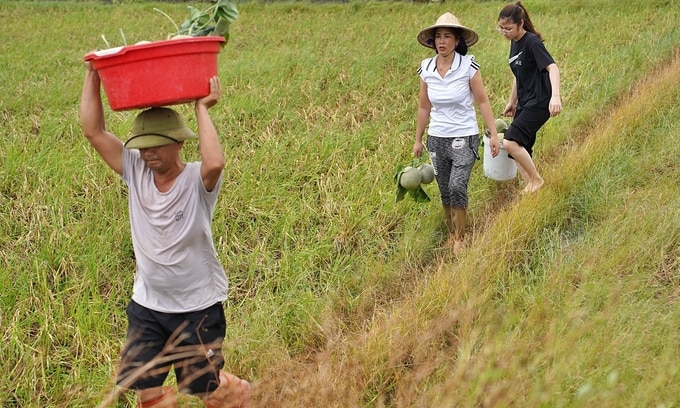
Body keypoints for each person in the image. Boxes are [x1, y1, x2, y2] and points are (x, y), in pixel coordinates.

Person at [80, 62, 251, 408]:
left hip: (197, 307)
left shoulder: (195, 181)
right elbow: (93, 131)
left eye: (156, 146)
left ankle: (244, 393)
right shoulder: (135, 170)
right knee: (146, 389)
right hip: (148, 305)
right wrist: (93, 74)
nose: (148, 153)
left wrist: (201, 108)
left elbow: (215, 162)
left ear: (178, 144)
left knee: (206, 390)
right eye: (143, 146)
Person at [414, 12, 501, 255]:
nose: (442, 41)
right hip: (437, 138)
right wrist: (418, 139)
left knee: (457, 185)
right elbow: (424, 106)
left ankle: (460, 239)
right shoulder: (426, 68)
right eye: (438, 37)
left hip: (465, 135)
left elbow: (482, 101)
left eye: (447, 36)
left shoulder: (468, 66)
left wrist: (493, 134)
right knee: (444, 188)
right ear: (432, 41)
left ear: (457, 41)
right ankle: (452, 233)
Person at [497, 1, 562, 194]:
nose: (505, 32)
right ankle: (533, 190)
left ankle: (536, 181)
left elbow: (553, 67)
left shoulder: (531, 41)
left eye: (508, 28)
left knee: (510, 141)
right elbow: (519, 75)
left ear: (521, 24)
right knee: (518, 150)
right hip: (525, 103)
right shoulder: (514, 43)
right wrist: (512, 101)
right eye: (501, 28)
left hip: (540, 102)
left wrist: (555, 97)